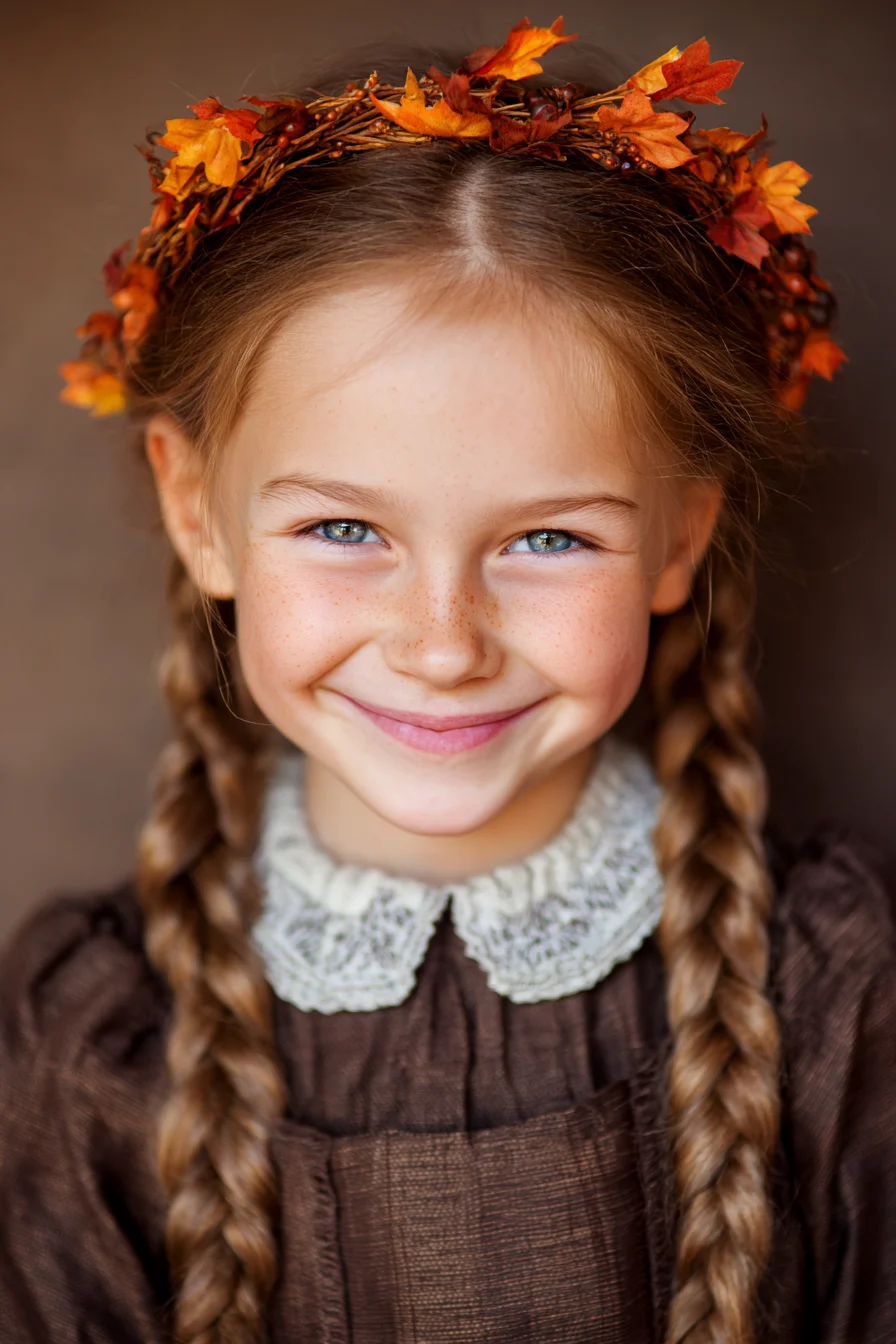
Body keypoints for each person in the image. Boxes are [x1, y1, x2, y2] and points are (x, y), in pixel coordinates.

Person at [1, 16, 891, 1344]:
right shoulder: (93, 1036)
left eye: (548, 538)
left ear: (682, 536)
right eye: (345, 529)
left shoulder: (835, 989)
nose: (442, 641)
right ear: (198, 513)